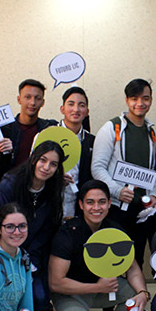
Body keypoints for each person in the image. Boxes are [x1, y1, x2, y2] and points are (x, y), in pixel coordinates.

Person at [48, 180, 149, 311]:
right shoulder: (67, 233)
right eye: (90, 202)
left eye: (102, 202)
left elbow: (132, 268)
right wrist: (97, 287)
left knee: (134, 294)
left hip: (102, 289)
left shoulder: (115, 230)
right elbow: (55, 283)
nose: (97, 207)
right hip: (71, 292)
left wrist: (143, 293)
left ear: (109, 204)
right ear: (80, 205)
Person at [0, 141, 64, 311]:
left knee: (39, 299)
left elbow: (48, 229)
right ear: (33, 159)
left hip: (35, 254)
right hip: (5, 252)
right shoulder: (10, 184)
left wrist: (31, 258)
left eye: (53, 164)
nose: (46, 167)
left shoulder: (53, 188)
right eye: (43, 160)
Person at [91, 78, 156, 268]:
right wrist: (116, 190)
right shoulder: (112, 128)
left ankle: (136, 297)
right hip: (116, 209)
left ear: (151, 100)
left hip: (142, 212)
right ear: (127, 100)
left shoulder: (150, 132)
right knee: (116, 260)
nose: (140, 103)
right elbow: (97, 167)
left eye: (145, 98)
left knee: (137, 260)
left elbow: (150, 171)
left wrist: (152, 195)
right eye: (134, 98)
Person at [0, 79, 57, 170]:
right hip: (11, 181)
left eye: (37, 98)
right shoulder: (5, 129)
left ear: (43, 102)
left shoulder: (49, 127)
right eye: (27, 97)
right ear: (19, 100)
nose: (32, 103)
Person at [59, 86, 95, 219]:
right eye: (71, 104)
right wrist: (55, 178)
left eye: (81, 105)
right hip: (51, 207)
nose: (76, 109)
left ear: (87, 112)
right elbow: (33, 170)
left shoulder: (93, 142)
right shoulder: (47, 135)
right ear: (62, 109)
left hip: (80, 210)